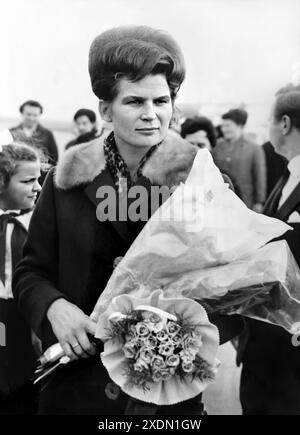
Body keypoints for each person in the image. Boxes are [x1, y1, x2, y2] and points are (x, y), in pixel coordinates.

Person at [12, 25, 242, 415]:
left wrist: (183, 334)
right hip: (76, 388)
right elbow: (30, 272)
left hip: (164, 393)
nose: (152, 115)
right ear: (105, 109)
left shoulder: (205, 182)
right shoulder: (63, 181)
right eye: (135, 102)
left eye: (162, 101)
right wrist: (54, 308)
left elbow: (240, 288)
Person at [237, 84, 300, 415]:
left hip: (291, 341)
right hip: (268, 335)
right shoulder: (289, 173)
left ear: (285, 124)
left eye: (270, 121)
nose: (270, 128)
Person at [0, 143, 41, 414]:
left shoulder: (38, 223)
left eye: (38, 178)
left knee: (26, 384)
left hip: (26, 314)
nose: (37, 187)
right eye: (27, 181)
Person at [212, 108, 267, 211]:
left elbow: (260, 177)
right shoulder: (217, 147)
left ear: (240, 126)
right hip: (221, 202)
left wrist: (259, 202)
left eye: (228, 126)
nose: (224, 129)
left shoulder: (254, 148)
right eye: (223, 126)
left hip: (246, 202)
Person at [10, 100, 58, 167]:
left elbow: (55, 159)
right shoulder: (11, 132)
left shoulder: (47, 134)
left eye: (35, 115)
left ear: (39, 115)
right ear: (22, 113)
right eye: (28, 114)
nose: (31, 118)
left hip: (40, 174)